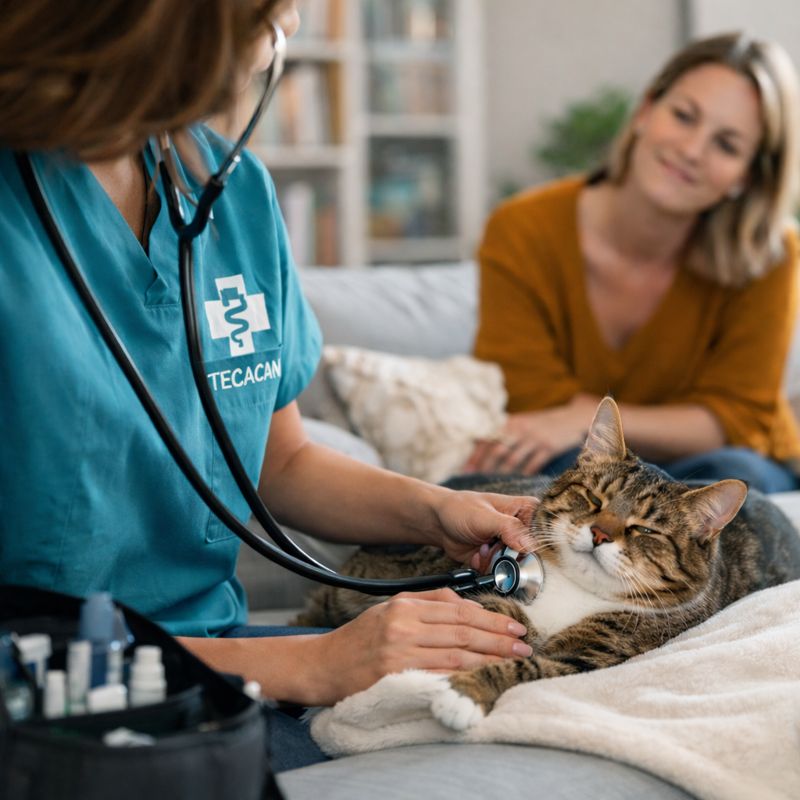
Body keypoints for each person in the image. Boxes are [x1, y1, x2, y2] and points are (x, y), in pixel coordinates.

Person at [0, 0, 537, 771]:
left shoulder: (232, 192)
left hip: (225, 656)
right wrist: (312, 665)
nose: (291, 23)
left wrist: (437, 511)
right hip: (62, 696)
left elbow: (278, 463)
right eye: (276, 7)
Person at [466, 32, 800, 494]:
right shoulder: (521, 228)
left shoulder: (771, 253)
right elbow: (529, 399)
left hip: (721, 472)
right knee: (524, 478)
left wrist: (585, 416)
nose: (692, 150)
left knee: (737, 477)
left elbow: (738, 416)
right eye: (683, 116)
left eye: (726, 145)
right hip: (574, 456)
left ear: (747, 176)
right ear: (645, 111)